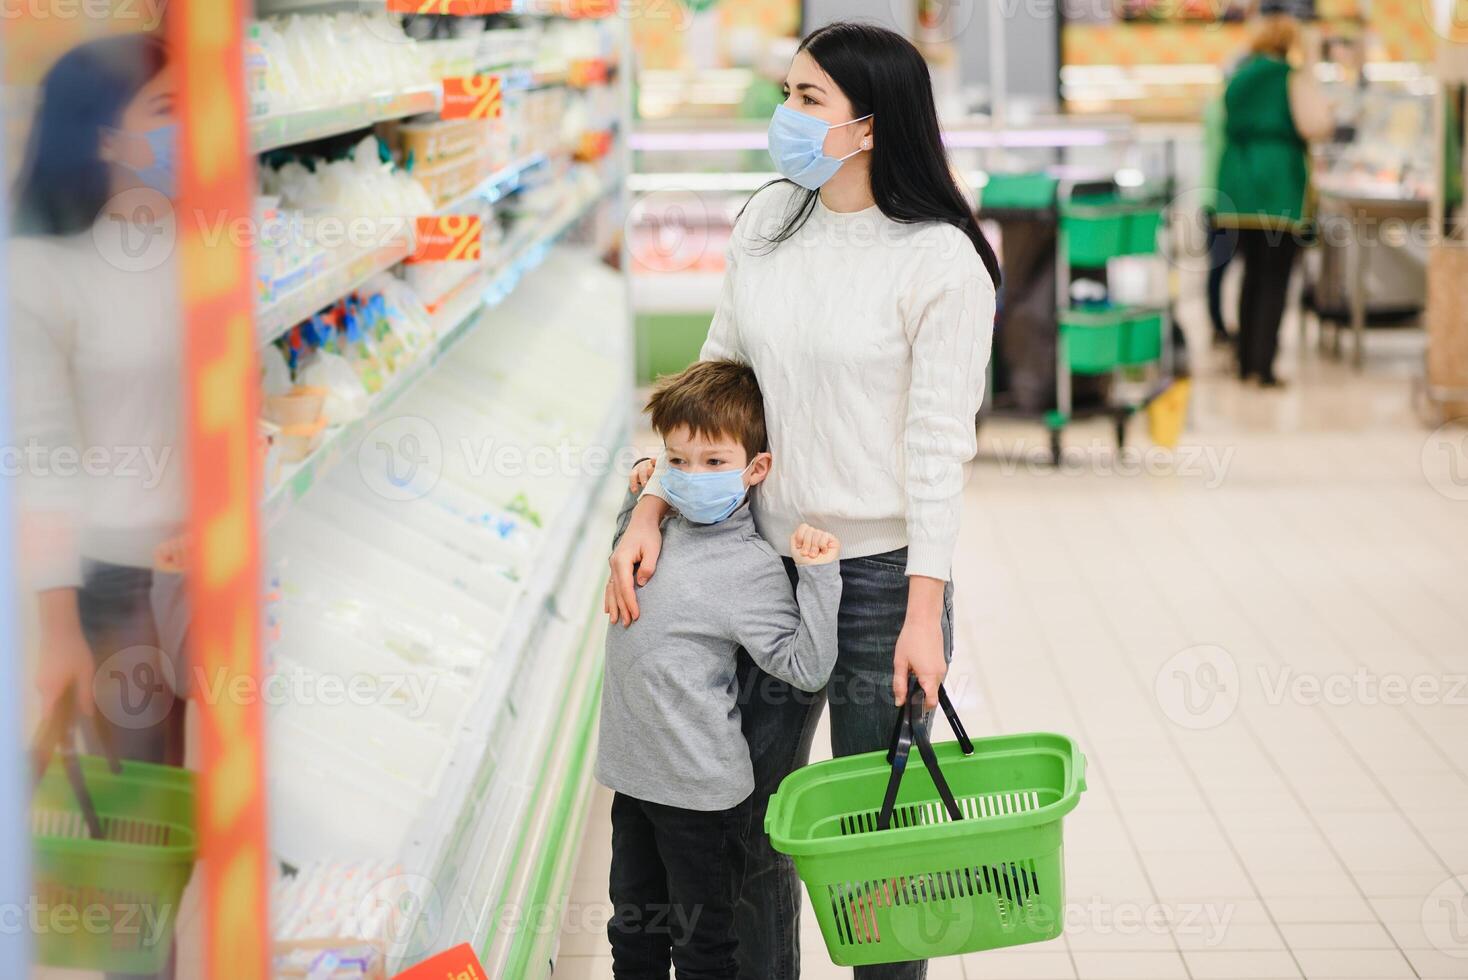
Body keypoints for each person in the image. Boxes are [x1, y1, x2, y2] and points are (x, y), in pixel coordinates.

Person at [609, 21, 998, 980]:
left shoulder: (939, 260)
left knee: (877, 844)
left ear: (870, 124)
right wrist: (653, 504)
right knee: (746, 824)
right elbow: (716, 380)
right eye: (786, 92)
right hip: (752, 561)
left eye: (805, 98)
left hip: (875, 582)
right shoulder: (768, 221)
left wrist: (924, 614)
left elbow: (940, 447)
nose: (783, 115)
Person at [598, 360, 842, 980]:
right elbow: (636, 519)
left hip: (701, 799)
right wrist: (644, 497)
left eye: (714, 463)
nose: (692, 475)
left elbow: (804, 667)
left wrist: (817, 578)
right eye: (677, 461)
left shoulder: (750, 567)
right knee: (632, 936)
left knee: (704, 950)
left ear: (755, 469)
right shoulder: (654, 526)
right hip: (634, 781)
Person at [1215, 11, 1333, 386]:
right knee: (1276, 278)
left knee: (1250, 275)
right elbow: (1314, 125)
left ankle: (1245, 360)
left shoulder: (1239, 77)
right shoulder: (1289, 77)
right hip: (1278, 185)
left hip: (1237, 183)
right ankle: (1263, 367)